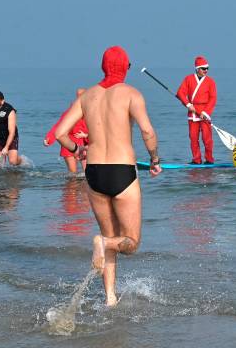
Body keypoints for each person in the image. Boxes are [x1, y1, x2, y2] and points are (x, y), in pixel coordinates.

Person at [54, 46, 162, 307]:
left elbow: (60, 133)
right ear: (125, 67)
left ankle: (110, 298)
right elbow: (147, 132)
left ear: (103, 66)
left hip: (93, 173)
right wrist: (155, 159)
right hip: (122, 171)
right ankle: (102, 246)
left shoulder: (87, 97)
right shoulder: (131, 94)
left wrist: (77, 150)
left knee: (108, 236)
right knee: (130, 242)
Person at [176, 56, 217, 164]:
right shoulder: (188, 79)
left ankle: (209, 160)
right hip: (192, 112)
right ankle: (196, 160)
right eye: (204, 68)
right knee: (193, 138)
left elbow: (213, 98)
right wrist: (188, 104)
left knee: (207, 139)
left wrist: (205, 112)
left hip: (205, 113)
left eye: (207, 68)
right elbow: (180, 93)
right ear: (197, 68)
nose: (206, 70)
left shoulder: (210, 81)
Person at [44, 88, 89, 173]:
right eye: (79, 97)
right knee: (73, 173)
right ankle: (72, 186)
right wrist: (49, 139)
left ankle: (87, 185)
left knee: (88, 173)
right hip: (68, 143)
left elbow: (97, 129)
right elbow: (58, 126)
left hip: (83, 144)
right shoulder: (70, 112)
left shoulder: (91, 112)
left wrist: (86, 135)